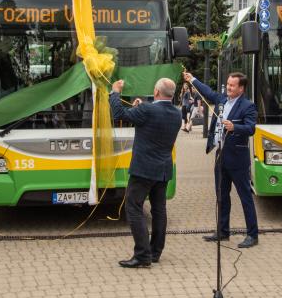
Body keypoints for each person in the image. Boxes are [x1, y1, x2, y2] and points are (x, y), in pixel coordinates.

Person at [110, 77, 181, 268]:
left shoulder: (147, 110)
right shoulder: (177, 113)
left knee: (133, 207)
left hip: (143, 170)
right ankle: (155, 252)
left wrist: (115, 92)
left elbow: (117, 114)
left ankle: (142, 255)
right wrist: (140, 107)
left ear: (156, 92)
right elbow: (152, 116)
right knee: (159, 210)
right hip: (163, 169)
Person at [183, 71, 259, 248]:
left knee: (245, 197)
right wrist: (192, 79)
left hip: (238, 159)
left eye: (232, 85)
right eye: (228, 84)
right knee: (221, 196)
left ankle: (253, 235)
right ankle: (223, 232)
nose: (228, 88)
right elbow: (207, 92)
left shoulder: (248, 106)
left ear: (241, 88)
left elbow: (251, 128)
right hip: (221, 157)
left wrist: (235, 127)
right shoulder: (222, 100)